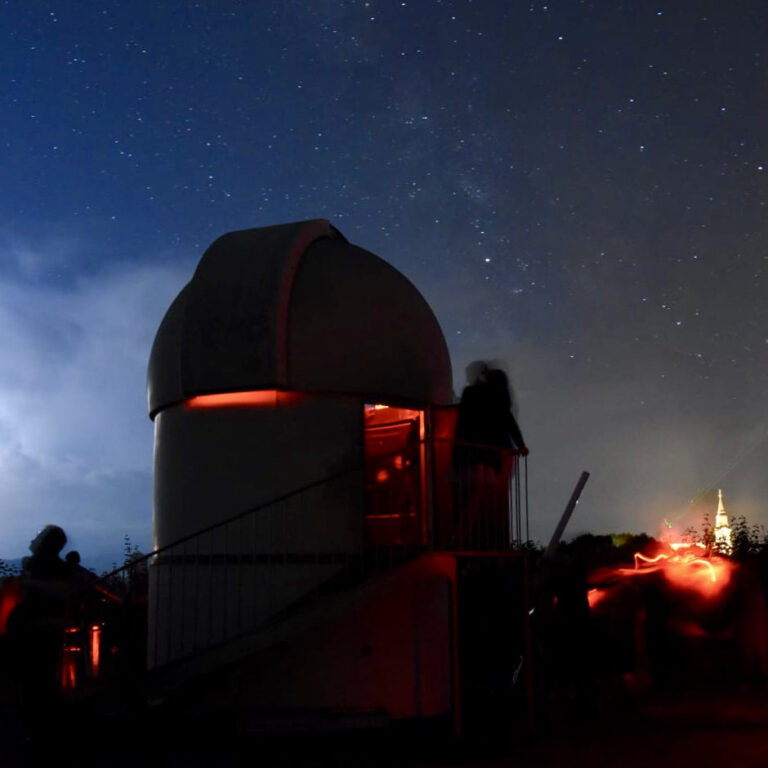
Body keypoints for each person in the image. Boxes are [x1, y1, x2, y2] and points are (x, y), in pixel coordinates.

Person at [453, 362, 528, 548]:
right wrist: (520, 445)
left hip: (471, 456)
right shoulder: (498, 397)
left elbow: (464, 421)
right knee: (479, 500)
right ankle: (470, 540)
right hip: (488, 457)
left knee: (469, 501)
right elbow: (508, 421)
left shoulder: (472, 394)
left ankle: (459, 540)